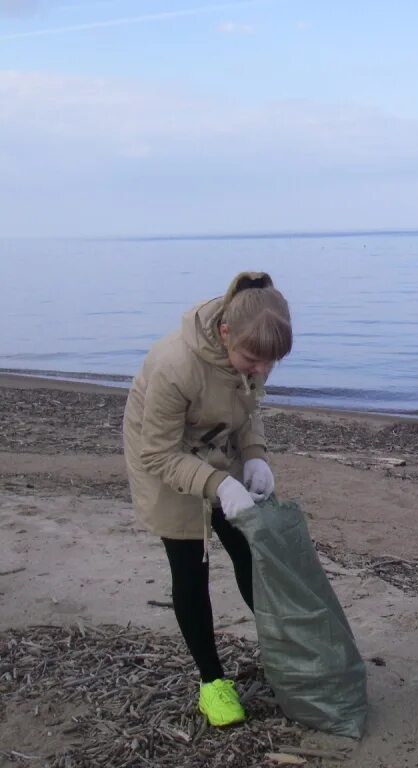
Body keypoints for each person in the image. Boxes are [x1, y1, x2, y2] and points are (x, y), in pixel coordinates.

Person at [122, 272, 292, 727]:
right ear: (223, 333)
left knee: (249, 552)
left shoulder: (252, 355)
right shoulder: (175, 366)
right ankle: (212, 682)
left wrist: (254, 456)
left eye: (267, 364)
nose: (259, 370)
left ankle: (286, 650)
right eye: (252, 359)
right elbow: (156, 452)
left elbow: (248, 406)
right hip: (163, 459)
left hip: (219, 446)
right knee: (191, 566)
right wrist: (217, 485)